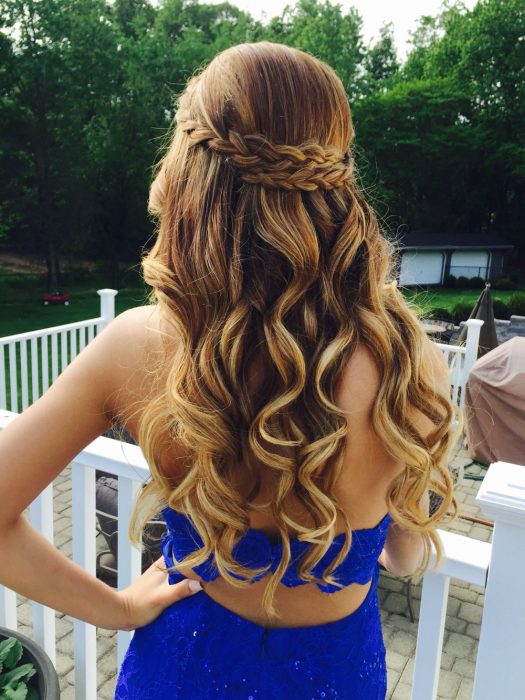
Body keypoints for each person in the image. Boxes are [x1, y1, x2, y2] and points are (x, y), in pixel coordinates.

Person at [0, 41, 460, 699]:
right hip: (336, 670)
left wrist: (120, 609)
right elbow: (408, 553)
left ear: (191, 170)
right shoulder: (408, 359)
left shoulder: (143, 345)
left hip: (187, 662)